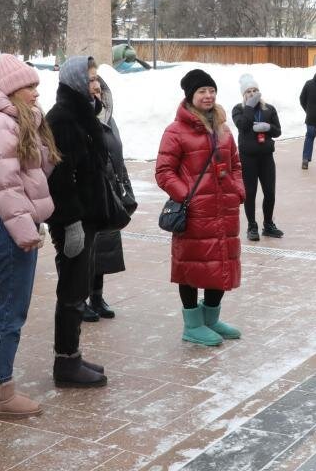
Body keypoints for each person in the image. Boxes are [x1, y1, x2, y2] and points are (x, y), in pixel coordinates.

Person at [0, 55, 59, 416]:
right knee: (13, 309)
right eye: (30, 87)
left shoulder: (18, 121)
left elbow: (32, 172)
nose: (36, 94)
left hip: (16, 221)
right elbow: (5, 186)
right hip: (10, 225)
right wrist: (25, 230)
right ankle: (0, 392)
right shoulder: (3, 126)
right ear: (11, 89)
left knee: (12, 305)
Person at [155, 69, 245, 347]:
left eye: (211, 90)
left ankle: (210, 318)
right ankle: (192, 325)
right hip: (195, 212)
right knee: (192, 267)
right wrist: (186, 197)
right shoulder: (175, 131)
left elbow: (236, 165)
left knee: (221, 265)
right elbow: (164, 171)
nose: (208, 96)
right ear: (190, 97)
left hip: (224, 210)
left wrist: (238, 190)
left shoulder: (224, 129)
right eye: (202, 91)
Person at [45, 56, 114, 387]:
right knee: (71, 290)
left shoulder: (83, 113)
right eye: (89, 79)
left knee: (80, 286)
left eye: (96, 78)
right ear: (74, 82)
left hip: (86, 214)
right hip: (73, 219)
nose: (95, 84)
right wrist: (71, 222)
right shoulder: (62, 119)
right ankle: (65, 363)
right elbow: (60, 177)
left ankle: (73, 355)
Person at [83, 74, 137, 321]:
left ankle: (96, 296)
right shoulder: (76, 120)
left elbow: (117, 152)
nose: (96, 96)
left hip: (109, 192)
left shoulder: (107, 118)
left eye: (98, 92)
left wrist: (123, 183)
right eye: (91, 91)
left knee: (103, 248)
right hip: (87, 194)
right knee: (83, 251)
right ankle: (80, 299)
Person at [231, 74, 282, 242]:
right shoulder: (238, 109)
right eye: (248, 91)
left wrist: (267, 127)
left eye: (255, 90)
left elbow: (277, 131)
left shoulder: (269, 109)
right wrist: (249, 107)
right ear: (243, 95)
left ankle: (268, 224)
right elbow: (242, 125)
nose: (252, 94)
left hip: (266, 157)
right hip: (248, 158)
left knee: (270, 193)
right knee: (250, 193)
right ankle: (252, 226)